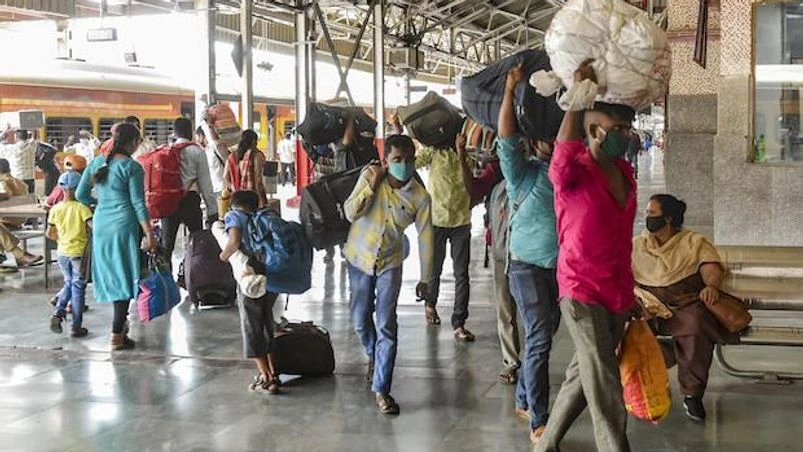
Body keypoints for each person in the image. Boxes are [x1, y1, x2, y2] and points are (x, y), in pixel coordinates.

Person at [534, 61, 637, 452]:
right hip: (581, 289)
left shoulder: (625, 173)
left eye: (627, 130)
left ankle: (545, 445)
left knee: (584, 375)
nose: (625, 137)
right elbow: (563, 148)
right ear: (594, 132)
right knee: (604, 381)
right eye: (618, 130)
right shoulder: (572, 172)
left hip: (617, 290)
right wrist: (577, 99)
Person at [343, 134, 433, 415]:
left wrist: (427, 278)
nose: (403, 165)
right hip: (358, 258)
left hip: (390, 264)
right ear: (385, 161)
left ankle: (382, 389)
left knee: (386, 324)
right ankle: (373, 353)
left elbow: (426, 238)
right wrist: (370, 183)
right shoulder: (370, 178)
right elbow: (349, 212)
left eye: (408, 160)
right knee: (360, 321)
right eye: (396, 160)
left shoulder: (420, 196)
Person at [497, 65, 560, 443]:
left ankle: (523, 397)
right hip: (525, 266)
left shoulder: (567, 172)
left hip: (560, 268)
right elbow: (505, 137)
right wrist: (510, 89)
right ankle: (540, 418)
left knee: (545, 333)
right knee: (539, 338)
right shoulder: (522, 174)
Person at [632, 194, 736, 422]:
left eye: (652, 213)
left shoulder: (693, 242)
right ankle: (647, 383)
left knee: (697, 326)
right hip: (645, 302)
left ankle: (692, 395)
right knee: (627, 330)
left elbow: (710, 267)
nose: (646, 218)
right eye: (646, 213)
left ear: (668, 218)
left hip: (683, 301)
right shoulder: (638, 244)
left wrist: (711, 286)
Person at [77, 122, 156, 351]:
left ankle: (120, 330)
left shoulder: (96, 163)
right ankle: (116, 335)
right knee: (124, 277)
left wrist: (101, 203)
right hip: (124, 225)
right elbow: (139, 204)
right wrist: (150, 233)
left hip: (102, 224)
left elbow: (82, 195)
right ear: (132, 143)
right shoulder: (132, 167)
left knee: (112, 275)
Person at [395, 116, 474, 341]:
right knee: (433, 270)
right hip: (436, 220)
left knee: (462, 274)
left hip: (461, 221)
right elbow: (412, 163)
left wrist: (461, 151)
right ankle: (430, 305)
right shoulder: (433, 152)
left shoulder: (465, 153)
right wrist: (400, 131)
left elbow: (472, 178)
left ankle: (459, 322)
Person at [458, 142, 521, 384]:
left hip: (533, 252)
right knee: (505, 309)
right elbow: (473, 192)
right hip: (500, 249)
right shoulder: (496, 170)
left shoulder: (541, 166)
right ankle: (511, 361)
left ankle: (533, 357)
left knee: (542, 314)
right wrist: (462, 158)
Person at [219, 190, 280, 394]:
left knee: (252, 327)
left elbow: (234, 241)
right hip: (269, 276)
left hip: (249, 279)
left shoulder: (235, 216)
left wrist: (223, 256)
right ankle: (275, 372)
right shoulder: (264, 216)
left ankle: (266, 377)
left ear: (234, 204)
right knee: (266, 323)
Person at [159, 118, 218, 260]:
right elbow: (205, 183)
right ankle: (191, 276)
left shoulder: (165, 151)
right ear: (190, 131)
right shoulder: (197, 152)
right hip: (190, 201)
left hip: (169, 201)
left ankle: (165, 279)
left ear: (174, 133)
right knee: (196, 243)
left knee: (167, 246)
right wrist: (212, 211)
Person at [47, 170, 93, 338]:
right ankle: (76, 325)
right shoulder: (82, 209)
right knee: (78, 288)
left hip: (62, 253)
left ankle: (58, 314)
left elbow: (49, 233)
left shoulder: (55, 209)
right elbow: (93, 227)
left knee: (69, 282)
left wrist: (62, 238)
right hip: (79, 254)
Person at [224, 129, 267, 205]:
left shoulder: (232, 156)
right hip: (253, 197)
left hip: (237, 198)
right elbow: (258, 179)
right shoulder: (257, 156)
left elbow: (225, 177)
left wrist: (234, 188)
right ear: (254, 141)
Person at [0, 158, 33, 229]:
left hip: (6, 221)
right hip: (21, 219)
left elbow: (7, 193)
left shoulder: (3, 182)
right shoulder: (20, 182)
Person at [197, 124, 226, 199]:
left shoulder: (215, 148)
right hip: (212, 189)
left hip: (221, 188)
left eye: (198, 136)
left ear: (203, 135)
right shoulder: (205, 150)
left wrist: (208, 126)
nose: (197, 139)